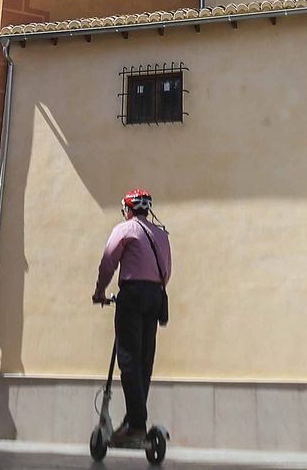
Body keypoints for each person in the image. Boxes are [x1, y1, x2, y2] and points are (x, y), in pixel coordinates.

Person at [93, 187, 172, 442]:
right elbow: (166, 271)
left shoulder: (124, 229)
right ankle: (133, 419)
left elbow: (108, 262)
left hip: (133, 295)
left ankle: (137, 424)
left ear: (127, 209)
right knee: (144, 360)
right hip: (156, 296)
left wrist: (99, 292)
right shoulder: (161, 234)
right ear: (147, 210)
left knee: (127, 359)